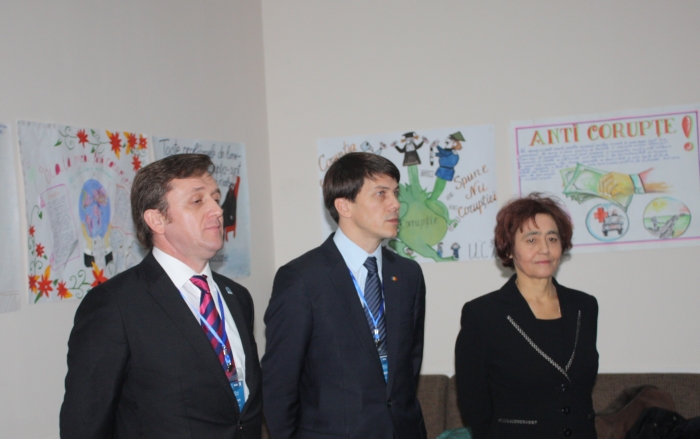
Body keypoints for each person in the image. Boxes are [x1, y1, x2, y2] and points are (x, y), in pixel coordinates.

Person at [60, 154, 262, 439]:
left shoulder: (237, 297)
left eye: (216, 198)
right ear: (157, 219)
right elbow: (84, 425)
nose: (217, 209)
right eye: (197, 201)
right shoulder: (114, 305)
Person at [262, 152, 427, 439]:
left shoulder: (407, 274)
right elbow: (279, 381)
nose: (395, 204)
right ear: (344, 206)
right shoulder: (302, 278)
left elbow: (410, 364)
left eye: (395, 193)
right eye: (381, 193)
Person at [455, 193, 598, 439]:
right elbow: (473, 404)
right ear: (509, 249)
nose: (545, 249)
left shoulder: (584, 306)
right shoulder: (483, 314)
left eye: (552, 238)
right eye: (531, 239)